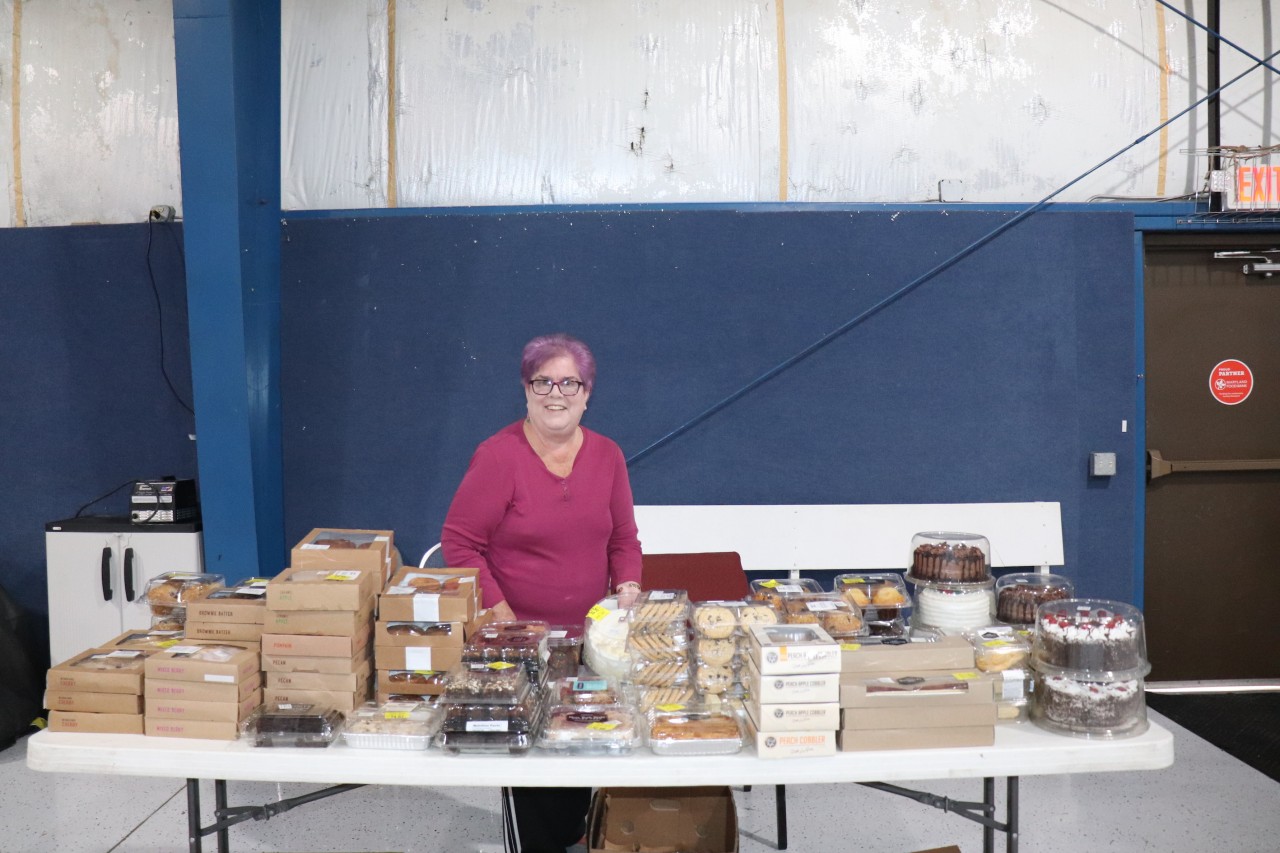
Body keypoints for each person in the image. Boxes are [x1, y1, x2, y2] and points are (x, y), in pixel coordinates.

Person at [441, 332, 642, 853]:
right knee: (534, 769)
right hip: (520, 648)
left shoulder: (608, 455)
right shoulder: (498, 456)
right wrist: (506, 618)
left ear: (587, 393)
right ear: (526, 390)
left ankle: (576, 837)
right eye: (543, 382)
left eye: (569, 383)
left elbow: (623, 539)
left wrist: (628, 586)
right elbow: (459, 542)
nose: (557, 394)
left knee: (580, 745)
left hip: (589, 646)